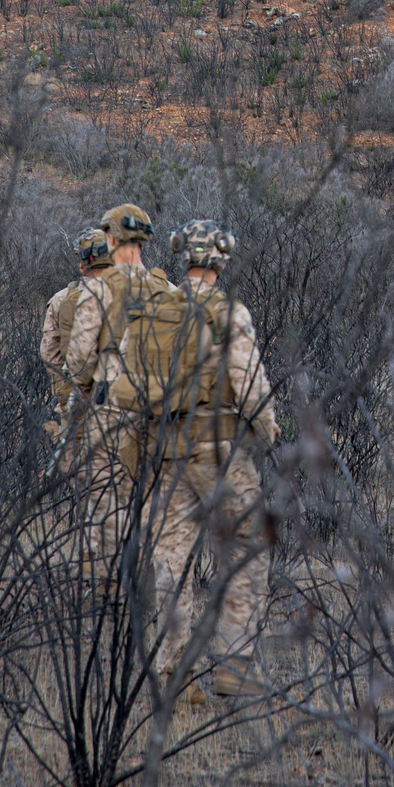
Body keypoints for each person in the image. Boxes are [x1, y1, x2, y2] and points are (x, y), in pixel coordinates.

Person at [110, 219, 280, 702]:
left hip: (164, 452)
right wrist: (269, 429)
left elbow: (125, 378)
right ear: (221, 260)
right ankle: (235, 665)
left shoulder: (153, 310)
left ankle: (174, 671)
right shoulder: (229, 312)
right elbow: (248, 384)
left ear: (182, 257)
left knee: (171, 561)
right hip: (218, 452)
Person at [65, 203, 174, 572]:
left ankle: (109, 588)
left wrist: (84, 386)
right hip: (157, 412)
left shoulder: (99, 289)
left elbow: (79, 359)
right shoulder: (168, 290)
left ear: (110, 239)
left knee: (108, 509)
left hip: (110, 412)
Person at [40, 227, 114, 421]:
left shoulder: (60, 299)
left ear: (82, 265)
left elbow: (50, 353)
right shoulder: (133, 293)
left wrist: (65, 395)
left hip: (77, 403)